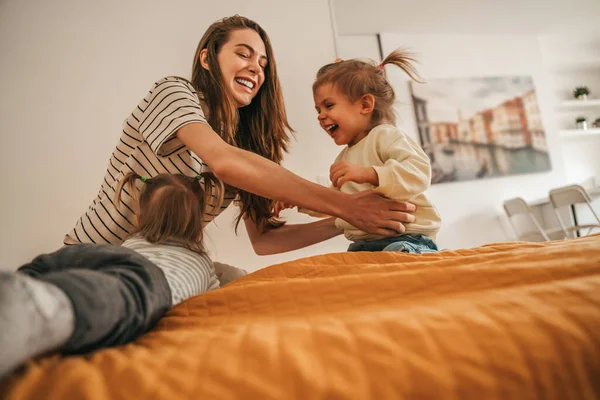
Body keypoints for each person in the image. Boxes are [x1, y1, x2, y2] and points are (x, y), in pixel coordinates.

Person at [63, 15, 415, 265]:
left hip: (162, 264)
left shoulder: (246, 146)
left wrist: (350, 222)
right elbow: (223, 161)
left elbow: (265, 240)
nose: (256, 68)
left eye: (262, 63)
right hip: (94, 259)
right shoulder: (174, 93)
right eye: (243, 54)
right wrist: (346, 206)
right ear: (207, 59)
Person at [0, 172, 222, 378]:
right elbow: (214, 297)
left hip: (106, 254)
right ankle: (37, 305)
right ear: (198, 227)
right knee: (107, 297)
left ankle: (27, 279)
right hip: (152, 284)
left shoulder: (131, 243)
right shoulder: (202, 263)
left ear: (139, 218)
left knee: (68, 266)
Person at [277, 49, 441, 254]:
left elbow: (419, 173)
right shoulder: (345, 157)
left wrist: (370, 174)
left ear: (365, 104)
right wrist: (296, 200)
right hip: (364, 244)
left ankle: (424, 256)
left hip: (407, 237)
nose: (321, 116)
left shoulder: (385, 136)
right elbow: (334, 201)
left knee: (398, 256)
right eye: (318, 110)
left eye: (328, 105)